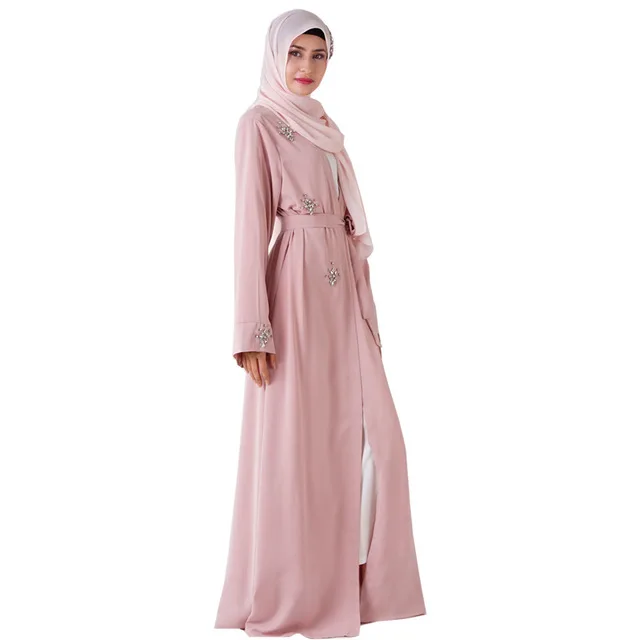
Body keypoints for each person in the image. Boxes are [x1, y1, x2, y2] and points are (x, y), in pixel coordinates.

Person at [214, 9, 426, 638]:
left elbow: (347, 225)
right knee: (296, 447)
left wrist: (364, 309)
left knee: (379, 439)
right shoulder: (259, 123)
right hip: (295, 294)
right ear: (275, 56)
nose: (306, 68)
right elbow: (250, 228)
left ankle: (359, 587)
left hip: (342, 297)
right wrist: (253, 329)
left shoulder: (327, 127)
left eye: (319, 55)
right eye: (295, 54)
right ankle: (298, 591)